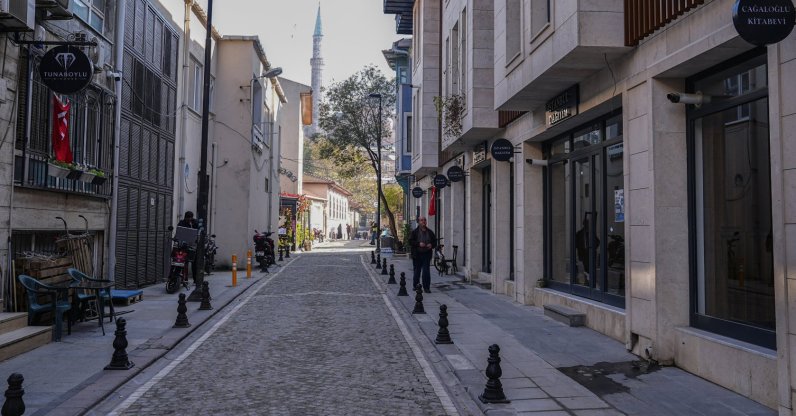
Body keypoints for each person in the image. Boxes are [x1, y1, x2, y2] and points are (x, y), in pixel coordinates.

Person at [409, 217, 436, 293]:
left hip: (427, 254)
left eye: (424, 220)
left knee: (426, 271)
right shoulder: (415, 232)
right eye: (421, 220)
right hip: (417, 254)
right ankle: (416, 286)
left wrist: (431, 245)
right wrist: (418, 244)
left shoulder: (430, 232)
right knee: (417, 271)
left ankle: (426, 287)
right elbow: (410, 242)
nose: (423, 221)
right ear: (419, 222)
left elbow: (435, 242)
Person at [177, 211, 199, 284]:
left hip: (192, 245)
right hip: (183, 245)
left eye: (190, 218)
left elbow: (198, 232)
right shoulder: (182, 223)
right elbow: (178, 231)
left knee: (194, 262)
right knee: (181, 261)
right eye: (188, 218)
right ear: (185, 217)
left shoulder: (195, 223)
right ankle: (181, 277)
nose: (189, 219)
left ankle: (195, 279)